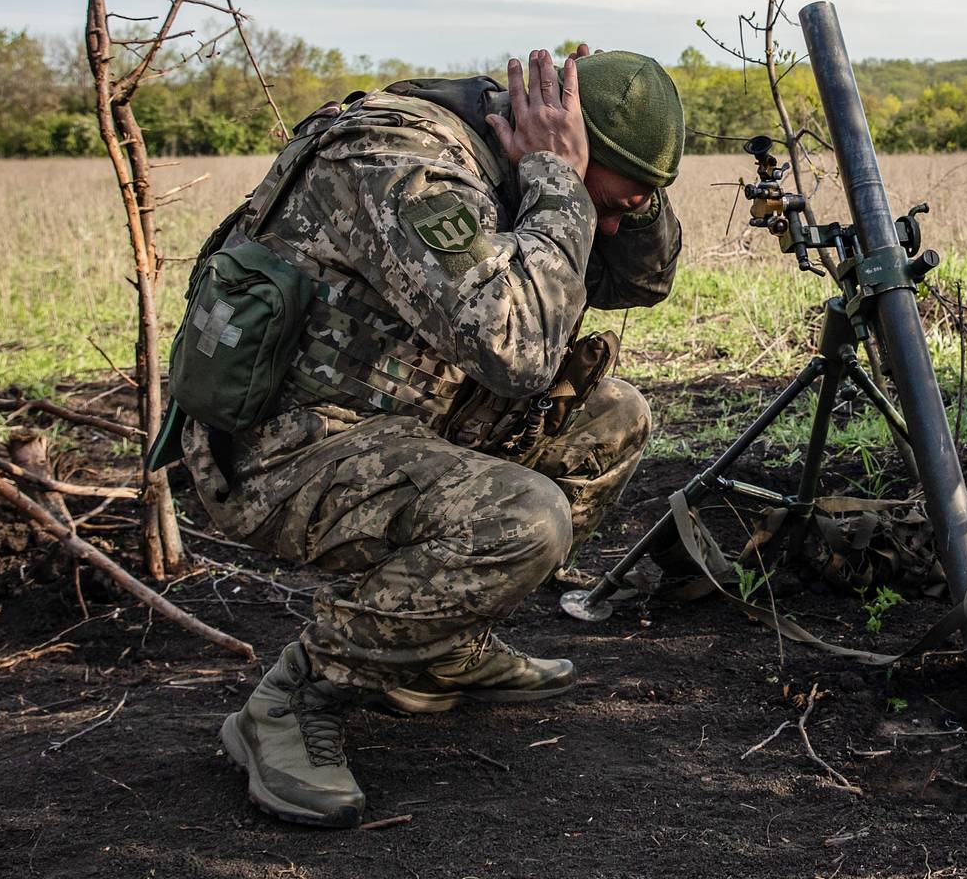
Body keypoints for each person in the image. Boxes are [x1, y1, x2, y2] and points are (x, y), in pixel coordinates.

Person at [181, 45, 685, 827]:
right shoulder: (405, 161)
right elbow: (517, 348)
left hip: (393, 418)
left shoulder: (520, 163)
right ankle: (292, 698)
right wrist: (557, 180)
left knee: (610, 418)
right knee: (521, 519)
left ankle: (437, 644)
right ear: (551, 146)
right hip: (284, 448)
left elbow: (640, 283)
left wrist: (628, 203)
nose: (608, 224)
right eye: (606, 203)